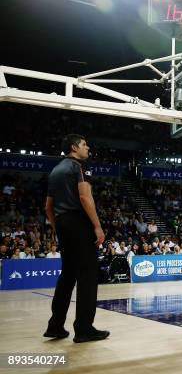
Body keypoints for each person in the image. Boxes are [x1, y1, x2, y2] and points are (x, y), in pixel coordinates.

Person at [44, 134, 109, 342]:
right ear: (74, 147)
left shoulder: (55, 170)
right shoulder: (80, 166)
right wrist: (97, 226)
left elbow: (48, 207)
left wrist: (58, 228)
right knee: (88, 275)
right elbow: (84, 196)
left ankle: (55, 326)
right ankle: (84, 328)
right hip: (79, 222)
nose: (88, 147)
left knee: (67, 275)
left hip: (62, 222)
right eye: (84, 144)